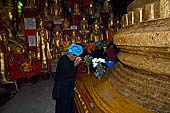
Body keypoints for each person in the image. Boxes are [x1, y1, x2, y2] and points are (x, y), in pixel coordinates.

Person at [52, 44, 83, 113]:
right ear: (72, 54)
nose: (76, 58)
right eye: (76, 56)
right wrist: (75, 65)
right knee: (63, 106)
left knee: (69, 104)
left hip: (67, 86)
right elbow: (70, 74)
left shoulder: (68, 59)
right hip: (62, 88)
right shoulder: (64, 61)